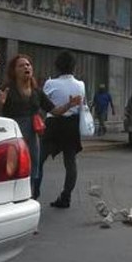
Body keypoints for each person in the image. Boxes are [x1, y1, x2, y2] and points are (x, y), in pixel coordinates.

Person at [0, 54, 82, 199]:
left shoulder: (37, 91)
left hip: (32, 136)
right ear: (14, 70)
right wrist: (0, 103)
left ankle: (28, 196)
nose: (26, 67)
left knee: (33, 166)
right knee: (11, 168)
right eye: (21, 65)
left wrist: (69, 105)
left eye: (28, 64)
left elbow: (54, 111)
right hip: (13, 135)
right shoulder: (6, 88)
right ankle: (8, 198)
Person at [37, 51, 87, 207]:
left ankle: (34, 194)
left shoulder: (51, 83)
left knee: (39, 161)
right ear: (74, 66)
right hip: (72, 125)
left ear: (57, 66)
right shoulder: (80, 85)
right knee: (70, 162)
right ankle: (66, 197)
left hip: (53, 124)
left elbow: (43, 105)